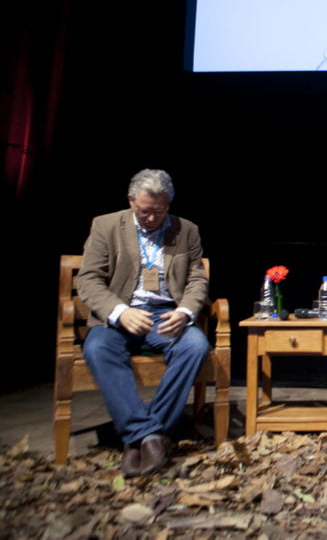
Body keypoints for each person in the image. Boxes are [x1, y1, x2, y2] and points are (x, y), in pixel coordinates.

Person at [77, 169, 211, 477]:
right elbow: (89, 279)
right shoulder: (106, 225)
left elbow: (196, 280)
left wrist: (185, 313)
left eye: (159, 211)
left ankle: (141, 435)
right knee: (97, 349)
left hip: (164, 314)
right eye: (144, 211)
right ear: (131, 200)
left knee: (194, 345)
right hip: (119, 315)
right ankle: (149, 435)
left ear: (169, 204)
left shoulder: (186, 230)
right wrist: (120, 311)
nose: (151, 219)